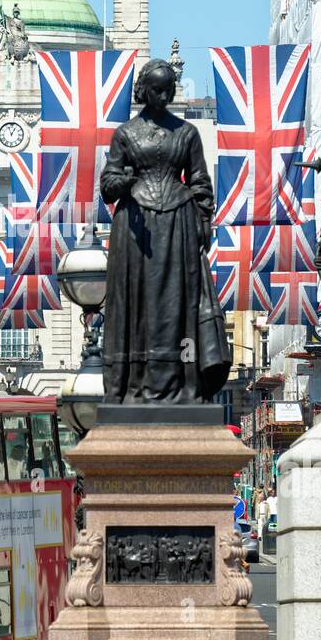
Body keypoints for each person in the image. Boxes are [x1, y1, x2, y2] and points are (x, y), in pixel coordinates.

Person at [100, 58, 231, 404]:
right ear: (143, 90)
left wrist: (203, 223)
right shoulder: (125, 134)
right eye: (156, 89)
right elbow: (108, 184)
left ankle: (185, 380)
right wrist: (124, 180)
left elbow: (200, 183)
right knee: (139, 305)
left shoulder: (187, 133)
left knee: (179, 307)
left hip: (178, 226)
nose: (163, 95)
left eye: (168, 89)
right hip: (136, 229)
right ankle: (133, 383)